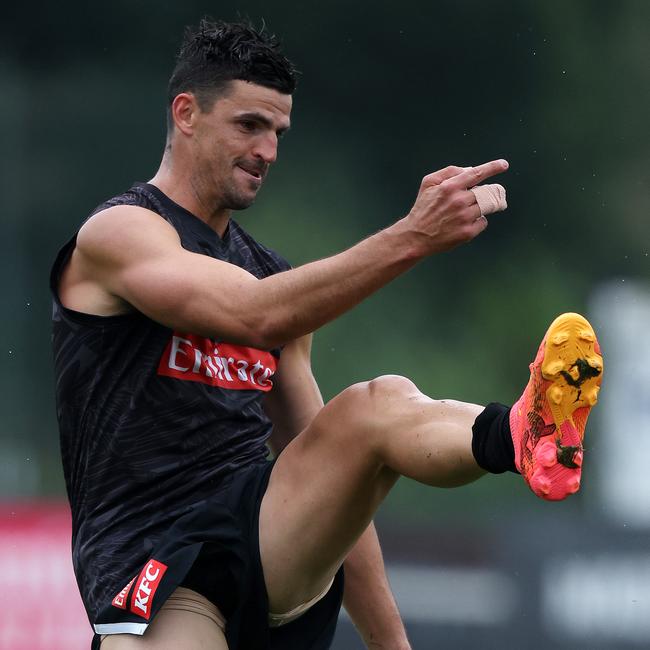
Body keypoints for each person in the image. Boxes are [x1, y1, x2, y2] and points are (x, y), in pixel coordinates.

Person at [50, 18, 603, 650]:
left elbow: (340, 485)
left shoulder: (268, 271)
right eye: (249, 125)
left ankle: (523, 433)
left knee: (376, 407)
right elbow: (254, 315)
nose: (268, 151)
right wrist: (412, 237)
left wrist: (392, 646)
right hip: (155, 569)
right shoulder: (120, 233)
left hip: (264, 535)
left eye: (278, 132)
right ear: (186, 113)